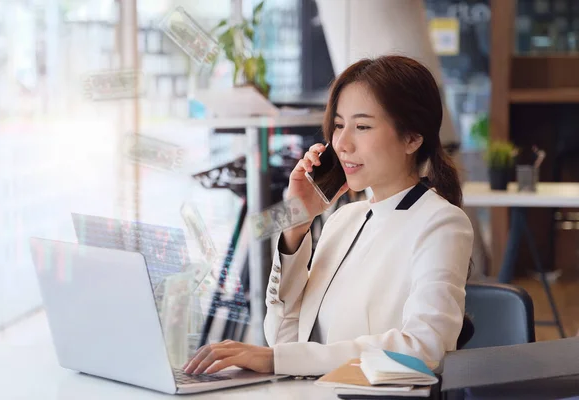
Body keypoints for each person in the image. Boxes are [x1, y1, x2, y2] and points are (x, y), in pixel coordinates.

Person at [183, 55, 474, 377]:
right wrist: (296, 225)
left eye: (362, 126)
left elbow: (426, 348)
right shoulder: (343, 219)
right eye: (338, 125)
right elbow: (284, 339)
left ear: (412, 138)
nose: (342, 143)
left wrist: (277, 359)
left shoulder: (441, 223)